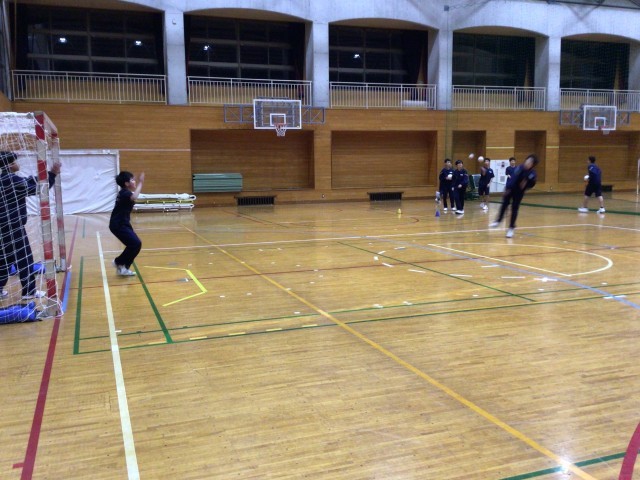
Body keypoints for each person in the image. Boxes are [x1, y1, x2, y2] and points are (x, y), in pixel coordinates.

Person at [0, 151, 61, 299]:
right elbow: (38, 188)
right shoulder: (12, 180)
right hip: (13, 227)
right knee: (24, 258)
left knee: (5, 259)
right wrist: (52, 174)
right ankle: (29, 291)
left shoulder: (5, 179)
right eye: (15, 162)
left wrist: (47, 174)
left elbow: (29, 181)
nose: (17, 164)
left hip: (3, 228)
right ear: (9, 165)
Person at [489, 154, 539, 238]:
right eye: (528, 160)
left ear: (532, 165)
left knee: (514, 209)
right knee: (504, 204)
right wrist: (507, 188)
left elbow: (532, 183)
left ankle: (511, 228)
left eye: (530, 162)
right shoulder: (520, 167)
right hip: (511, 189)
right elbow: (513, 178)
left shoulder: (532, 173)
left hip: (519, 193)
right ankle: (498, 221)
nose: (528, 162)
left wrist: (526, 184)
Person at [109, 171, 145, 276]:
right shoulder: (125, 193)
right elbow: (134, 197)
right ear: (126, 183)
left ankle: (123, 267)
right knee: (135, 243)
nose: (134, 181)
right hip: (118, 224)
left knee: (135, 245)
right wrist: (141, 183)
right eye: (132, 180)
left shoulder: (124, 192)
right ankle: (119, 262)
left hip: (122, 223)